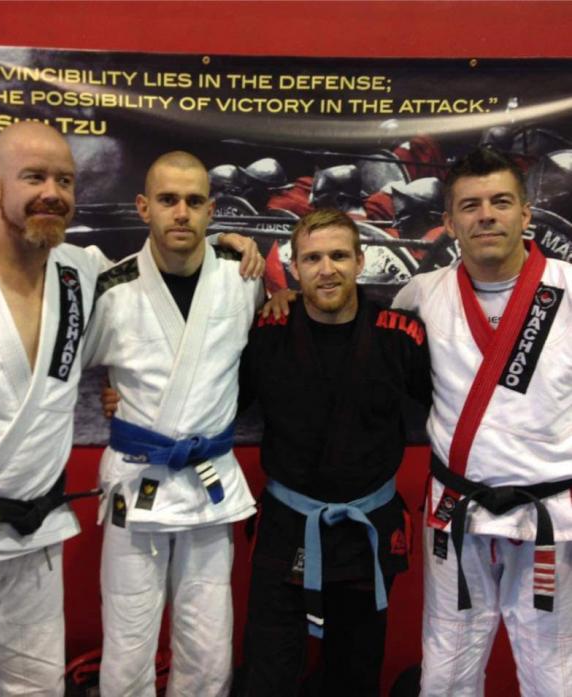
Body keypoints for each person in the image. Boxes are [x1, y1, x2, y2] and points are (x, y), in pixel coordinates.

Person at [0, 124, 262, 697]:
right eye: (34, 177)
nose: (51, 192)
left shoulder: (78, 272)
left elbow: (158, 318)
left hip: (36, 533)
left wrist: (237, 243)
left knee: (37, 687)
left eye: (64, 180)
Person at [82, 150, 265, 697]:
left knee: (209, 644)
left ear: (212, 210)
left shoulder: (244, 278)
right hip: (137, 479)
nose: (181, 212)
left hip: (209, 485)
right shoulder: (112, 289)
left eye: (193, 201)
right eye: (168, 200)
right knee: (127, 641)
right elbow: (62, 369)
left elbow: (275, 340)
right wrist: (108, 392)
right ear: (144, 207)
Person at [392, 147, 572, 697]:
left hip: (551, 516)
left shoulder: (569, 288)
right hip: (458, 511)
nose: (486, 216)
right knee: (446, 669)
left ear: (526, 214)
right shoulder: (422, 293)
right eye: (470, 206)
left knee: (554, 672)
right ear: (449, 223)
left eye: (501, 202)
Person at [240, 209, 431, 697]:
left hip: (367, 529)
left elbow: (458, 403)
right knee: (267, 675)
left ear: (360, 261)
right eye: (313, 259)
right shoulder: (267, 332)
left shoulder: (399, 335)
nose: (327, 270)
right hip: (287, 525)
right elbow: (211, 402)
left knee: (355, 676)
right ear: (294, 267)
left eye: (339, 256)